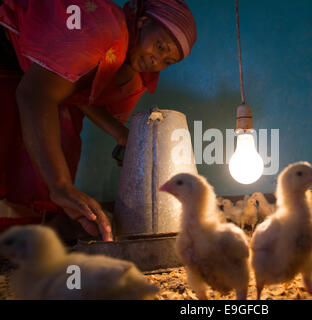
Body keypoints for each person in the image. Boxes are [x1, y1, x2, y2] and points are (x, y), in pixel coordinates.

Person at [0, 0, 197, 241]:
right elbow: (34, 94)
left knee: (61, 127)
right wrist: (60, 186)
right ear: (143, 23)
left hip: (22, 62)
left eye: (168, 61)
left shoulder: (125, 68)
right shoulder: (100, 29)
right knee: (30, 129)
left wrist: (122, 134)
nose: (158, 60)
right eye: (159, 46)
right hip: (6, 35)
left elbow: (72, 91)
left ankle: (23, 233)